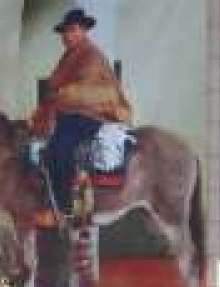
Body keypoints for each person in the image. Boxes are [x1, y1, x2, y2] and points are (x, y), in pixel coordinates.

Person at [29, 8, 132, 225]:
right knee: (36, 143)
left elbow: (90, 90)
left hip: (92, 113)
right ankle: (47, 202)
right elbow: (57, 89)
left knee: (60, 146)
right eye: (65, 32)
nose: (67, 36)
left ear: (83, 31)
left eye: (73, 30)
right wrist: (46, 106)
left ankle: (63, 210)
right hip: (70, 111)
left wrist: (63, 95)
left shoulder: (92, 56)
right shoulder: (69, 56)